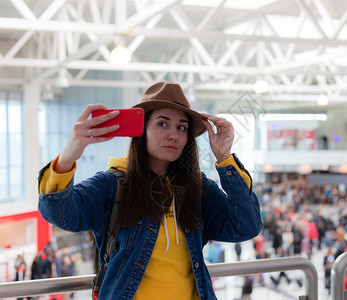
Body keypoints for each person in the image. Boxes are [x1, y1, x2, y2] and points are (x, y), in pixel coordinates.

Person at [38, 82, 262, 299]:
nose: (173, 135)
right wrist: (69, 154)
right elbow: (60, 213)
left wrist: (225, 158)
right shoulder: (113, 186)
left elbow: (245, 226)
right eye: (162, 123)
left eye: (181, 127)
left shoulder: (197, 188)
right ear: (141, 129)